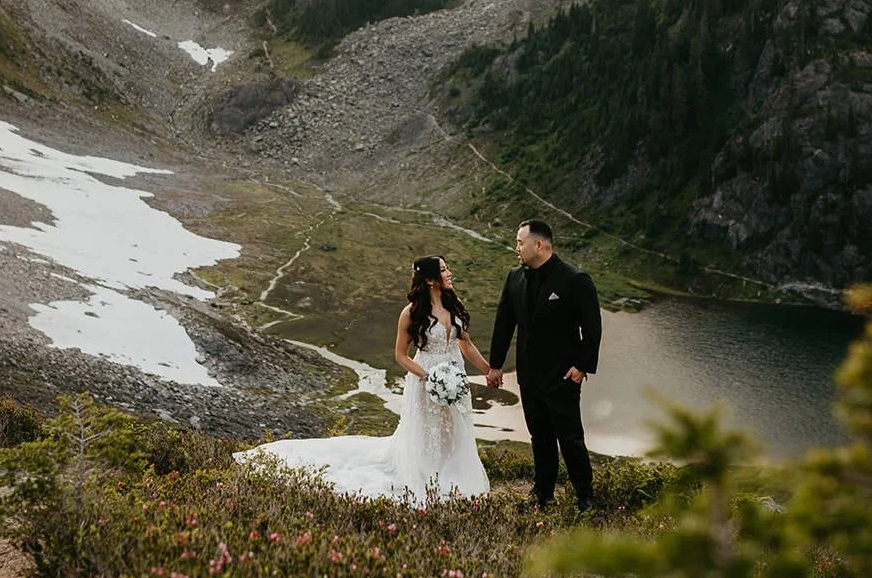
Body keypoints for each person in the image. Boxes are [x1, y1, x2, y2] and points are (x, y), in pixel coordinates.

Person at [235, 255, 492, 502]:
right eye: (444, 270)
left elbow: (465, 345)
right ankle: (430, 478)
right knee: (428, 431)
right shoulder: (412, 313)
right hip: (426, 380)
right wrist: (428, 376)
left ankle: (453, 477)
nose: (450, 273)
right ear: (430, 280)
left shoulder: (454, 304)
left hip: (455, 378)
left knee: (454, 427)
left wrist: (488, 370)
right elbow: (401, 355)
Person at [487, 219, 601, 511]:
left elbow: (592, 328)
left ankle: (585, 496)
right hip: (528, 375)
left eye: (520, 242)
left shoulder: (575, 280)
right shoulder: (514, 278)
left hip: (562, 376)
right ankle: (543, 492)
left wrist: (581, 367)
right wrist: (495, 365)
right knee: (540, 437)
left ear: (539, 245)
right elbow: (504, 324)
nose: (516, 248)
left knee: (570, 437)